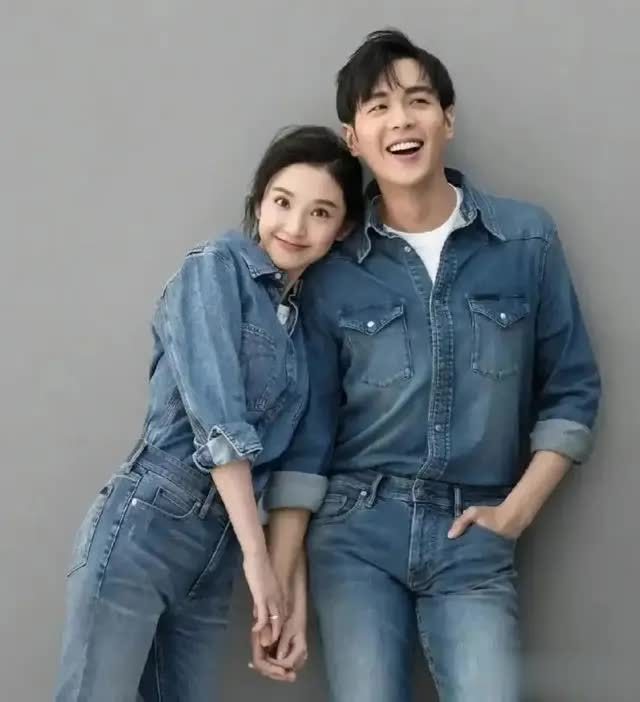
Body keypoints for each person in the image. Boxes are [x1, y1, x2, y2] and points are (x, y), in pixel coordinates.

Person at [253, 30, 601, 701]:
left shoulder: (525, 240)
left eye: (417, 101)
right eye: (378, 107)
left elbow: (573, 389)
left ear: (447, 119)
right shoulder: (334, 269)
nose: (401, 120)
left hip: (474, 535)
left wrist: (515, 514)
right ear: (354, 139)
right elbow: (308, 435)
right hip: (355, 534)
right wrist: (281, 584)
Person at [54, 125, 363, 702]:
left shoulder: (306, 334)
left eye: (320, 213)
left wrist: (286, 598)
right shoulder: (214, 269)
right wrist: (258, 566)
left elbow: (298, 472)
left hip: (217, 555)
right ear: (259, 202)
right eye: (282, 202)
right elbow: (219, 425)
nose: (295, 226)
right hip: (144, 530)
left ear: (342, 228)